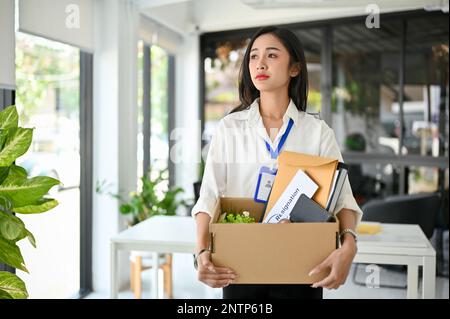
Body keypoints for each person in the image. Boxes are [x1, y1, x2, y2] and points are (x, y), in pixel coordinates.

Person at [191, 26, 363, 299]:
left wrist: (349, 246)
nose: (259, 63)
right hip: (241, 266)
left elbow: (343, 201)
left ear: (294, 68)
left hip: (303, 268)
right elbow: (209, 197)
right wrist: (201, 252)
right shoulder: (229, 129)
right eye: (253, 56)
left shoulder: (317, 132)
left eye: (272, 55)